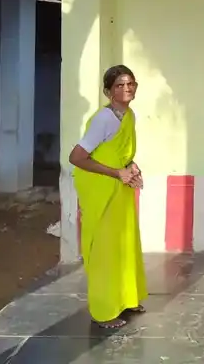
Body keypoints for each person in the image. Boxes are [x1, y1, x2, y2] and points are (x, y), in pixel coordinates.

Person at [68, 65, 148, 329]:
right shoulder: (103, 118)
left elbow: (120, 152)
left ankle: (126, 299)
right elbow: (77, 157)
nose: (127, 89)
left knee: (124, 245)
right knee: (104, 252)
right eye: (120, 85)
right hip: (101, 189)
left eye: (130, 84)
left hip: (119, 189)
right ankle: (103, 312)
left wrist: (132, 166)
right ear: (108, 91)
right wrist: (117, 173)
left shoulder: (129, 115)